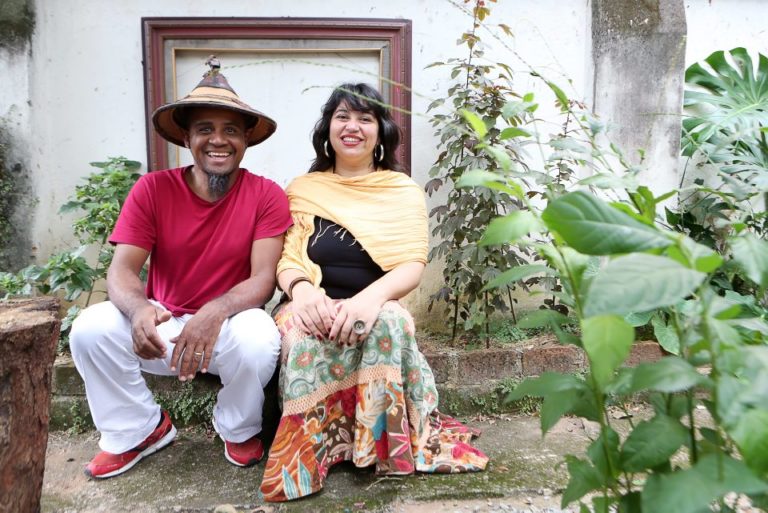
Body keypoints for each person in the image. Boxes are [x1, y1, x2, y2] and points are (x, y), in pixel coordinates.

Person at [259, 83, 488, 502]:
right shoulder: (303, 189)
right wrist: (304, 293)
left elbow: (412, 264)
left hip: (376, 299)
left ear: (380, 132)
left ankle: (377, 445)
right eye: (342, 116)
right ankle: (312, 453)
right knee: (303, 337)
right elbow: (288, 255)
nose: (352, 127)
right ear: (327, 128)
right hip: (311, 298)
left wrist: (368, 300)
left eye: (365, 118)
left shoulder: (402, 191)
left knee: (391, 322)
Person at [69, 58, 292, 479]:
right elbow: (121, 271)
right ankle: (137, 431)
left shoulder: (266, 194)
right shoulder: (152, 188)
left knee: (260, 338)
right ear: (187, 138)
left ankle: (238, 428)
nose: (217, 140)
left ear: (246, 139)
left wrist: (214, 311)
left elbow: (263, 279)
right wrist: (138, 311)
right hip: (164, 328)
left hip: (227, 329)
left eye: (230, 130)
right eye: (205, 129)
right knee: (90, 328)